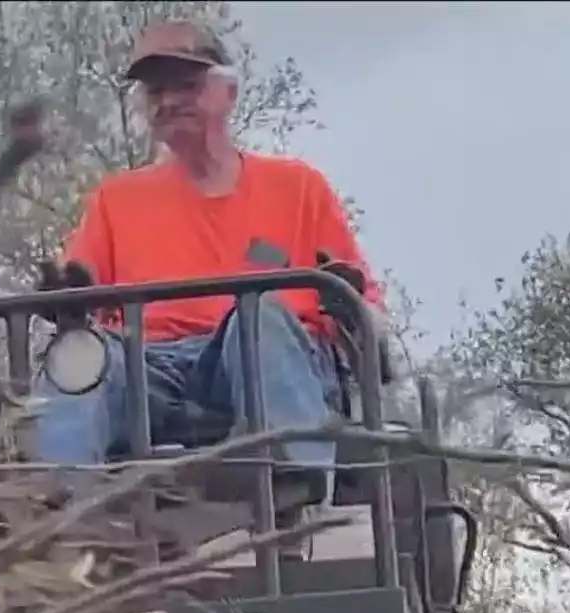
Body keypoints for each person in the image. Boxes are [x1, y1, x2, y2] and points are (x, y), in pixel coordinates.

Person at [32, 20, 385, 482]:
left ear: (229, 92)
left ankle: (294, 490)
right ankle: (55, 513)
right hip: (150, 367)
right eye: (156, 91)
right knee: (80, 354)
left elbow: (369, 316)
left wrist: (351, 308)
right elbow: (82, 285)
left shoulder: (299, 188)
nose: (169, 101)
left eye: (187, 85)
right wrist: (69, 301)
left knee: (260, 316)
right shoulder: (115, 200)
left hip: (261, 361)